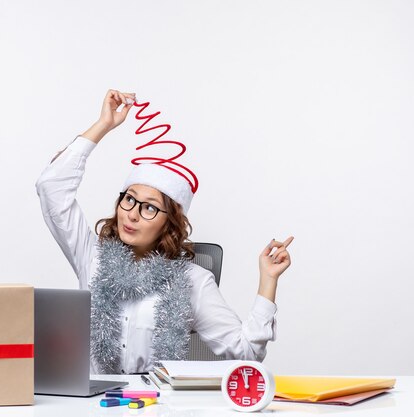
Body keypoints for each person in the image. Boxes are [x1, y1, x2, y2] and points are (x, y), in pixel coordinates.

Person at [36, 89, 294, 374]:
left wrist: (268, 281)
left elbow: (246, 354)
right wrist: (103, 125)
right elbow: (51, 187)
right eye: (129, 199)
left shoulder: (194, 282)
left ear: (168, 223)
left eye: (149, 208)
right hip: (97, 405)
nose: (132, 213)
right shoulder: (91, 258)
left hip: (160, 406)